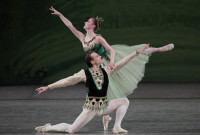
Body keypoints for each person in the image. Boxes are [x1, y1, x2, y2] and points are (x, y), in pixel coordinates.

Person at [49, 6, 174, 130]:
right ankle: (106, 117)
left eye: (88, 22)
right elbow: (70, 25)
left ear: (92, 26)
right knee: (105, 88)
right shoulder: (82, 37)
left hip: (107, 61)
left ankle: (159, 48)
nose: (85, 22)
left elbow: (112, 50)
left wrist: (111, 63)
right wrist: (60, 15)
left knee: (133, 53)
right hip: (97, 64)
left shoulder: (98, 38)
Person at [35, 45, 149, 134]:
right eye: (97, 56)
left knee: (124, 101)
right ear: (92, 61)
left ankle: (117, 127)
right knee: (71, 130)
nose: (100, 57)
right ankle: (47, 128)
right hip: (91, 109)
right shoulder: (84, 74)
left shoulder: (106, 70)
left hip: (103, 107)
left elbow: (121, 64)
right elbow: (66, 81)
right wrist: (48, 87)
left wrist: (135, 53)